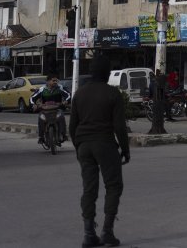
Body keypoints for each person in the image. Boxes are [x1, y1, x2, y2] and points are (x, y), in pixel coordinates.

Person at [69, 55, 129, 248]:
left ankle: (88, 234)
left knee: (89, 188)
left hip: (84, 145)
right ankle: (107, 232)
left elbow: (72, 126)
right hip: (105, 144)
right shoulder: (113, 94)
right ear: (108, 73)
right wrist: (125, 149)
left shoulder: (80, 93)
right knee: (113, 186)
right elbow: (119, 127)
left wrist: (78, 146)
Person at [31, 74, 70, 145]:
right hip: (45, 110)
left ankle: (64, 135)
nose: (55, 82)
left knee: (61, 117)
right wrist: (34, 104)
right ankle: (41, 137)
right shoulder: (42, 89)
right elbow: (32, 98)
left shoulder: (60, 88)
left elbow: (68, 95)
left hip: (57, 109)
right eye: (53, 80)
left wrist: (66, 101)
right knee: (40, 118)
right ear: (48, 81)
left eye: (56, 81)